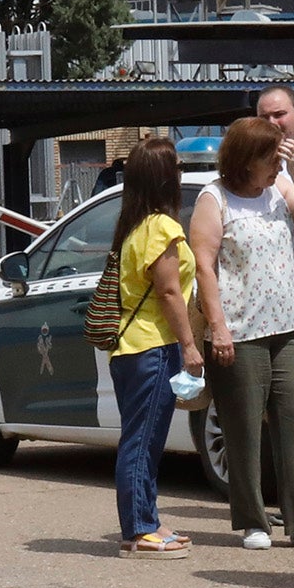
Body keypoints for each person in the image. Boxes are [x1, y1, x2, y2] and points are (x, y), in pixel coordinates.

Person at [189, 117, 294, 551]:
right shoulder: (214, 198)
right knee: (242, 429)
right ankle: (253, 520)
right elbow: (203, 264)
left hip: (289, 324)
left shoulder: (279, 190)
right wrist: (218, 327)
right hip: (240, 331)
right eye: (270, 158)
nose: (276, 166)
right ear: (245, 160)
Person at [109, 138, 204, 559]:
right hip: (153, 347)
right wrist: (189, 346)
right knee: (142, 441)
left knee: (145, 440)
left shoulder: (133, 227)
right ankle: (138, 529)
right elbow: (168, 292)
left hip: (132, 349)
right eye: (177, 167)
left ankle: (147, 518)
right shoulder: (163, 228)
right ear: (167, 178)